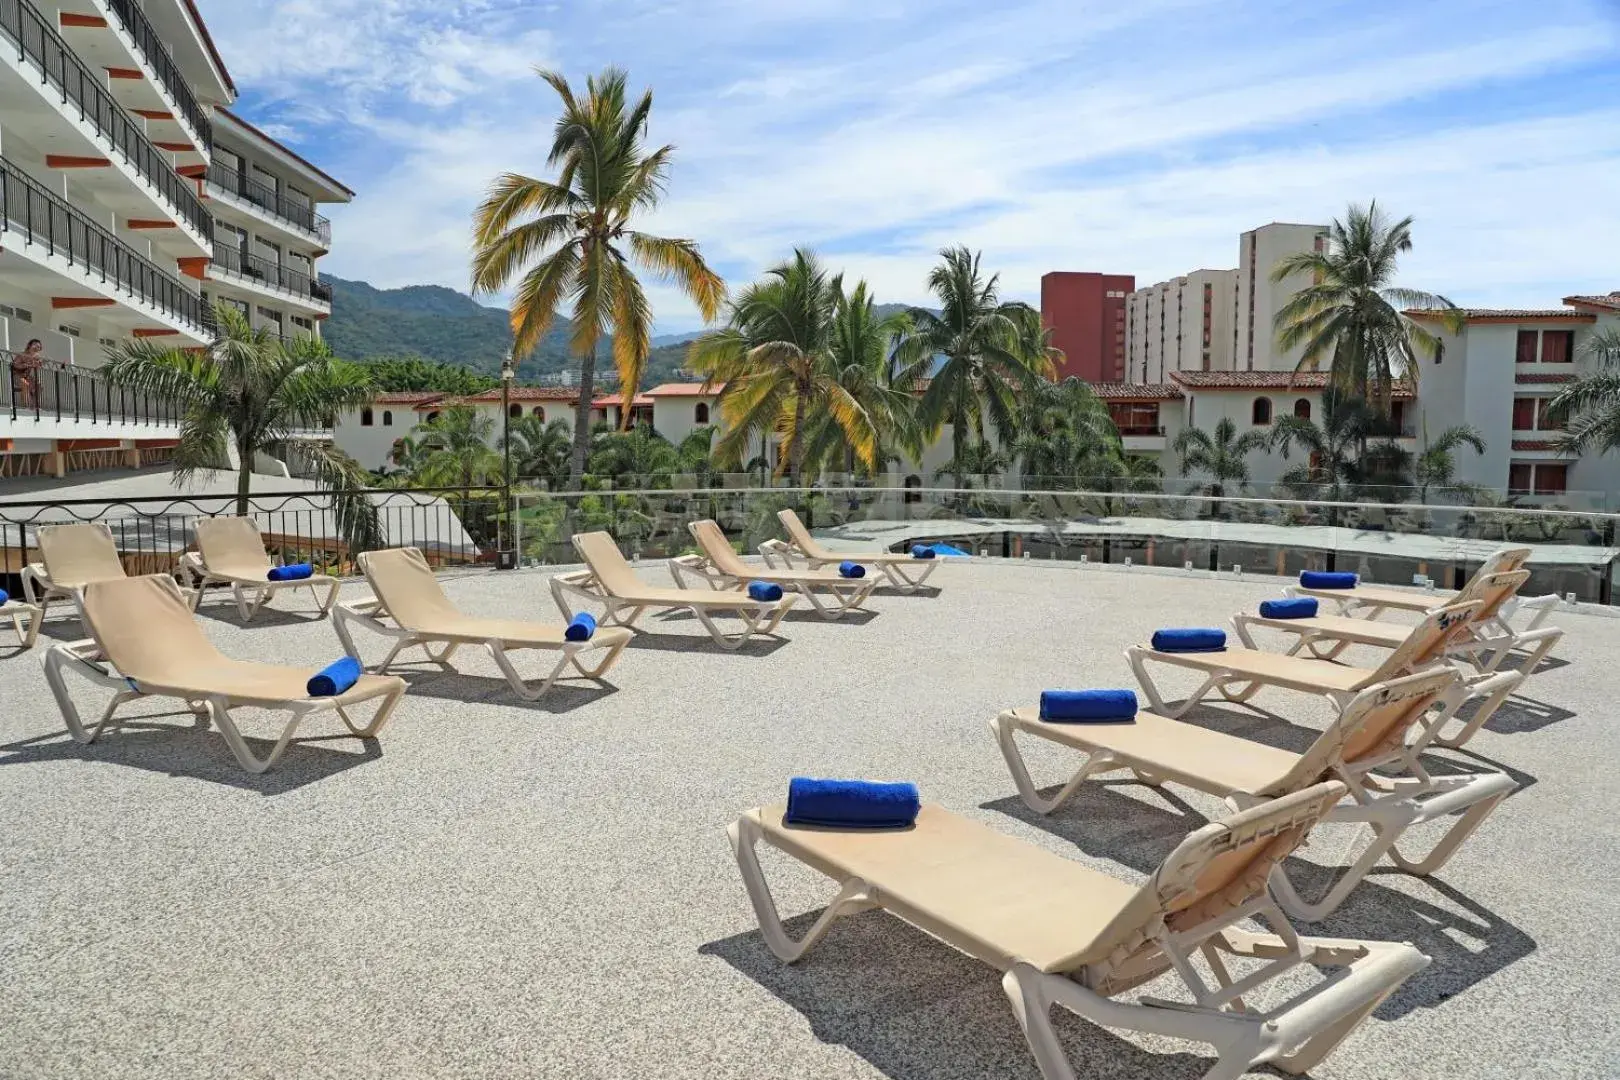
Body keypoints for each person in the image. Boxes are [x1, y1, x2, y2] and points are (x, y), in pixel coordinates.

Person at [10, 339, 45, 409]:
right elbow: (15, 365)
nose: (37, 348)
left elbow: (36, 367)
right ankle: (27, 406)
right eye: (35, 345)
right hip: (16, 375)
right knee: (25, 384)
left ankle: (34, 406)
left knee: (39, 386)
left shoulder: (36, 357)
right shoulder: (22, 355)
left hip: (27, 377)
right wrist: (28, 365)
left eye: (38, 347)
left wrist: (39, 364)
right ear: (29, 345)